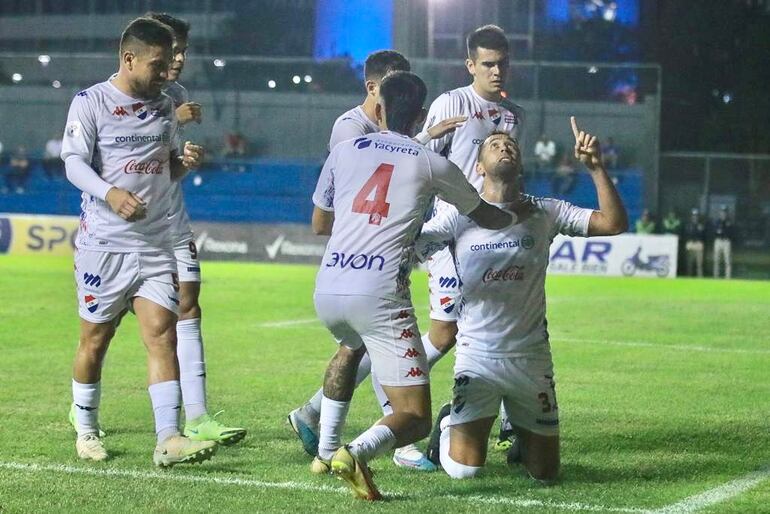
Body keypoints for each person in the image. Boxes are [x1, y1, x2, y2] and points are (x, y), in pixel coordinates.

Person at [309, 71, 513, 500]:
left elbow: (319, 223)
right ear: (421, 114)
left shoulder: (343, 151)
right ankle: (354, 452)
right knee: (415, 417)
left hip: (328, 286)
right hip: (380, 292)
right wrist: (526, 217)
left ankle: (325, 451)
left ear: (378, 106)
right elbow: (486, 215)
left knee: (350, 350)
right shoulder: (430, 162)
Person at [418, 121, 627, 483]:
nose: (504, 146)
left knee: (545, 476)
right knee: (466, 471)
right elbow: (413, 240)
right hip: (477, 356)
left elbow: (613, 223)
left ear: (521, 165)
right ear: (479, 167)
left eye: (509, 144)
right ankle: (449, 423)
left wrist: (595, 168)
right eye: (494, 143)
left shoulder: (543, 212)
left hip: (531, 358)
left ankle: (520, 434)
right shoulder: (459, 216)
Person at [288, 49, 466, 472]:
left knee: (353, 348)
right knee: (397, 367)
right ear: (376, 90)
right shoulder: (349, 128)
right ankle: (387, 441)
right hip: (373, 274)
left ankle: (323, 441)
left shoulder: (374, 138)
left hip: (339, 277)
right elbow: (370, 177)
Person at [61, 17, 215, 466]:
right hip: (103, 246)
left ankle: (169, 438)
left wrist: (183, 163)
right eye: (158, 64)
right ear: (128, 58)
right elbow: (72, 162)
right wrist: (110, 193)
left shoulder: (166, 106)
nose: (167, 73)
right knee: (95, 339)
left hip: (154, 244)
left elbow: (163, 169)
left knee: (162, 335)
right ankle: (86, 429)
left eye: (170, 64)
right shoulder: (91, 102)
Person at [419, 24, 527, 451]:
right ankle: (396, 399)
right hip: (452, 234)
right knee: (443, 336)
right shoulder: (453, 102)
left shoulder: (514, 115)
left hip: (496, 235)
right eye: (488, 64)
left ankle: (511, 423)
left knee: (511, 323)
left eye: (502, 64)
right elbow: (420, 160)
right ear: (470, 65)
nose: (497, 71)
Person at [146, 11, 246, 448]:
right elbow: (128, 152)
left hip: (172, 218)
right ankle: (84, 406)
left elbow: (161, 167)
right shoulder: (123, 94)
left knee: (189, 305)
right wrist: (175, 118)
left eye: (184, 49)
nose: (180, 58)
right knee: (100, 330)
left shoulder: (177, 93)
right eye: (173, 49)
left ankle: (199, 416)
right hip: (126, 228)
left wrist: (183, 163)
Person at [712, 206, 734, 279]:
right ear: (720, 213)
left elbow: (730, 232)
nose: (723, 213)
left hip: (726, 241)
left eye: (725, 212)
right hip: (718, 241)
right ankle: (716, 277)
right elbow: (715, 232)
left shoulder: (729, 221)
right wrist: (720, 232)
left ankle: (727, 277)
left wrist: (721, 231)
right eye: (722, 212)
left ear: (727, 213)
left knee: (727, 260)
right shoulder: (717, 221)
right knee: (716, 260)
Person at [683, 208, 706, 277]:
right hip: (690, 243)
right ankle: (689, 278)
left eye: (696, 215)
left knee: (699, 264)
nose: (695, 217)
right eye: (693, 215)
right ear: (691, 216)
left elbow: (703, 235)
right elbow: (686, 234)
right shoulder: (688, 225)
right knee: (689, 264)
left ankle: (700, 279)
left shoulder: (701, 225)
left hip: (698, 244)